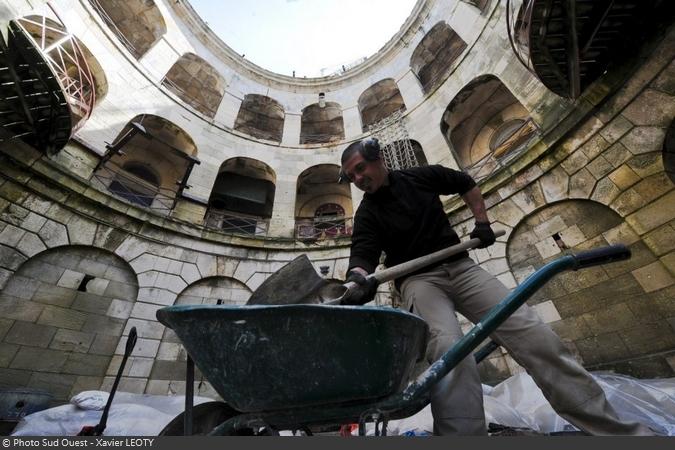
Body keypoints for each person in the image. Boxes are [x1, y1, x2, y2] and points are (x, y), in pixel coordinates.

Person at [338, 138, 653, 436]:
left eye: (361, 168)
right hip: (419, 282)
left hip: (461, 268)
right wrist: (357, 279)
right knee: (450, 355)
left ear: (378, 159)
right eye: (352, 176)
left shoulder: (422, 177)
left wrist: (482, 223)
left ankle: (614, 431)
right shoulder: (367, 213)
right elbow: (363, 254)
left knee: (533, 334)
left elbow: (465, 183)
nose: (358, 178)